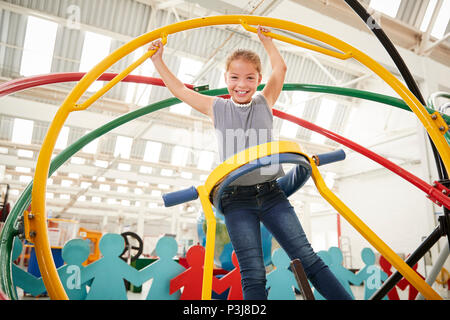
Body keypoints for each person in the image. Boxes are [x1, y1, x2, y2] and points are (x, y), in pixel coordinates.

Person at [148, 26, 351, 300]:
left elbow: (280, 69)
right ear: (225, 78)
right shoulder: (215, 107)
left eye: (249, 78)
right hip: (235, 199)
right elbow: (180, 90)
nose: (241, 84)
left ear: (258, 80)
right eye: (234, 77)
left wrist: (267, 41)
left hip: (271, 192)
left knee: (308, 258)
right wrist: (157, 59)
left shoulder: (265, 101)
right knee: (253, 273)